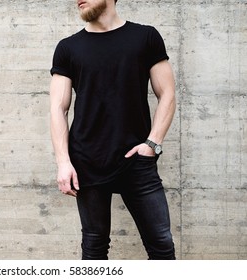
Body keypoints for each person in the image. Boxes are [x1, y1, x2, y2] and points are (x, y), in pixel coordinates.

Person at [49, 0, 176, 260]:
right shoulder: (68, 48)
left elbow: (167, 93)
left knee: (161, 245)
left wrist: (152, 144)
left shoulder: (145, 37)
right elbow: (57, 109)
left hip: (137, 160)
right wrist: (63, 162)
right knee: (94, 247)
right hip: (86, 161)